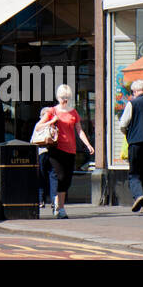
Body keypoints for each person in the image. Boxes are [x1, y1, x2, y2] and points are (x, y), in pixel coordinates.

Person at [36, 84, 95, 219]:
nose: (65, 100)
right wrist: (52, 121)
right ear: (58, 97)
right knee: (60, 176)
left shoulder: (73, 112)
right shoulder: (52, 111)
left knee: (67, 180)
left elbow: (79, 130)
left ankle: (59, 205)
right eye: (63, 98)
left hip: (71, 150)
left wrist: (87, 144)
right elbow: (38, 127)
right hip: (56, 149)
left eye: (67, 98)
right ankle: (60, 207)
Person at [118, 80, 143, 213]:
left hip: (135, 142)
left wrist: (128, 134)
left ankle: (138, 195)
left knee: (134, 173)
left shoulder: (132, 103)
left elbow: (123, 124)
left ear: (135, 91)